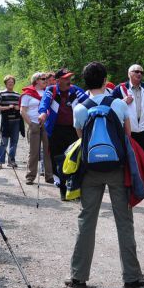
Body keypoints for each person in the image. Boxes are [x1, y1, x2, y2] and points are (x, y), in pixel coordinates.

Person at [66, 61, 144, 288]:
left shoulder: (80, 107)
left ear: (85, 81)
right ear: (105, 80)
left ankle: (78, 276)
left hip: (91, 171)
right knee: (124, 221)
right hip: (117, 170)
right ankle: (132, 276)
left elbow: (81, 138)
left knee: (86, 220)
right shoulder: (119, 104)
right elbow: (127, 136)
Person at [38, 68, 86, 200]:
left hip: (73, 130)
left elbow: (88, 102)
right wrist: (42, 113)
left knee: (75, 159)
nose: (69, 81)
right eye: (66, 78)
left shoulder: (75, 90)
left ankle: (75, 189)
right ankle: (63, 189)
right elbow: (44, 103)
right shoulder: (51, 90)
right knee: (59, 160)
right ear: (58, 80)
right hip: (55, 130)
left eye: (69, 78)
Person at [111, 64, 144, 156]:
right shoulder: (119, 89)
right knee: (130, 159)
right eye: (136, 71)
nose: (139, 74)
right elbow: (111, 107)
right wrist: (123, 101)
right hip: (127, 131)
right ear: (129, 74)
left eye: (141, 72)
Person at [20, 73, 53, 185]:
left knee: (48, 150)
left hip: (46, 124)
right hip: (34, 123)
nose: (45, 80)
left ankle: (49, 176)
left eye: (46, 79)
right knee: (34, 152)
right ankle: (30, 176)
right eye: (43, 79)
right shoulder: (27, 94)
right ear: (36, 80)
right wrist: (30, 124)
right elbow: (22, 111)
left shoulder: (47, 93)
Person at [0, 75, 23, 169]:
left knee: (14, 142)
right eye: (9, 82)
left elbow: (21, 107)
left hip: (16, 121)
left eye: (12, 82)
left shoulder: (18, 95)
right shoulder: (1, 94)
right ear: (6, 83)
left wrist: (17, 108)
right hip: (6, 121)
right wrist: (7, 107)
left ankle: (11, 161)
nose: (10, 84)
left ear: (14, 83)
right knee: (4, 142)